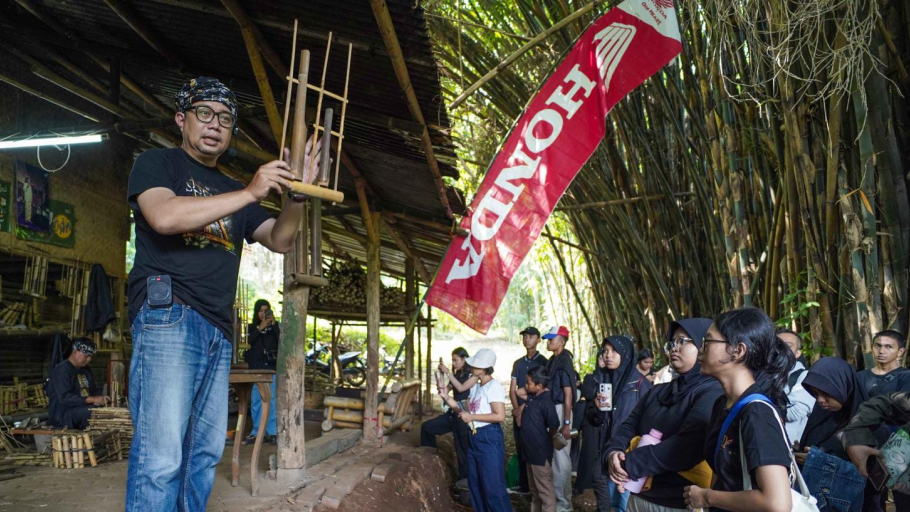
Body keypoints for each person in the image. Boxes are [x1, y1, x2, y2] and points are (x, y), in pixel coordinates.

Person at [125, 76, 323, 511]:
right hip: (168, 317)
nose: (216, 124)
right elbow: (162, 216)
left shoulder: (234, 191)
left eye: (226, 119)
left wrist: (297, 196)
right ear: (182, 119)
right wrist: (251, 190)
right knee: (160, 458)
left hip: (217, 329)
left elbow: (281, 238)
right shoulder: (157, 163)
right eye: (205, 113)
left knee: (202, 455)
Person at [683, 307, 795, 512]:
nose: (701, 349)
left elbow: (777, 503)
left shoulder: (757, 414)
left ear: (738, 350)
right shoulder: (722, 404)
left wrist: (707, 497)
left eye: (707, 341)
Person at [606, 318, 722, 512]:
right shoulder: (658, 391)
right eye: (672, 343)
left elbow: (688, 444)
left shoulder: (713, 391)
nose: (674, 348)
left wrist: (630, 463)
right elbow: (629, 426)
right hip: (639, 495)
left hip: (680, 502)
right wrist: (613, 452)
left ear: (704, 346)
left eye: (682, 341)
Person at [796, 357, 887, 512]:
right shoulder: (820, 417)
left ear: (846, 387)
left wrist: (820, 461)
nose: (820, 400)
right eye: (815, 393)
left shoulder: (872, 427)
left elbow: (877, 478)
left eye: (826, 393)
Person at [578, 335, 652, 512]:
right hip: (605, 450)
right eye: (605, 351)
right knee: (603, 490)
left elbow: (649, 424)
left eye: (614, 351)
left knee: (624, 503)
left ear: (625, 354)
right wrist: (596, 408)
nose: (608, 355)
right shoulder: (605, 381)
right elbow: (595, 421)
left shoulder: (641, 385)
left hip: (628, 456)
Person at [439, 348, 512, 512]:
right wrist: (446, 397)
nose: (471, 367)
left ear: (485, 368)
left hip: (489, 438)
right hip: (475, 437)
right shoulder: (477, 388)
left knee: (494, 489)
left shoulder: (493, 386)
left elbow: (499, 416)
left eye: (476, 365)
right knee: (476, 486)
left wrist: (472, 418)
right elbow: (463, 410)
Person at [421, 347, 478, 481]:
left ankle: (465, 484)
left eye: (455, 360)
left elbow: (461, 388)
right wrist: (441, 386)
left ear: (464, 359)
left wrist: (448, 373)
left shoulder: (473, 376)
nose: (453, 363)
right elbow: (445, 394)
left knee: (463, 453)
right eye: (452, 361)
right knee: (427, 427)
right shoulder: (457, 375)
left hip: (464, 417)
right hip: (452, 414)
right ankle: (429, 461)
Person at [541, 325, 576, 512]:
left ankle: (564, 504)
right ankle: (556, 499)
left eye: (551, 339)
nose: (548, 342)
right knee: (554, 456)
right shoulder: (552, 361)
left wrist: (567, 422)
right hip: (554, 409)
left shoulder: (564, 362)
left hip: (562, 410)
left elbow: (568, 393)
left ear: (561, 342)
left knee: (561, 456)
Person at [510, 326, 548, 495]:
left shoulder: (544, 362)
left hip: (535, 413)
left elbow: (542, 392)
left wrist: (523, 409)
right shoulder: (518, 363)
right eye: (525, 336)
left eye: (531, 336)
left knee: (534, 447)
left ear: (538, 340)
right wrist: (517, 410)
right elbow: (513, 389)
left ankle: (538, 488)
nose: (527, 339)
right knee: (520, 447)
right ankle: (524, 486)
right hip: (519, 410)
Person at [521, 366, 561, 512]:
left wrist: (550, 435)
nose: (525, 385)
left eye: (528, 383)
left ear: (539, 386)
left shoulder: (546, 401)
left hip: (540, 453)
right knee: (535, 492)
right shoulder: (533, 397)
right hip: (530, 453)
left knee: (545, 492)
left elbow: (554, 424)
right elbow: (518, 391)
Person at [47, 338, 107, 429]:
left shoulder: (86, 369)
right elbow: (65, 398)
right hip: (63, 415)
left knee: (103, 410)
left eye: (91, 356)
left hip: (80, 410)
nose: (89, 359)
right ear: (75, 352)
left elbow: (93, 390)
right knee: (92, 412)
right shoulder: (62, 370)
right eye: (86, 356)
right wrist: (92, 399)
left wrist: (103, 399)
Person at [243, 299, 279, 444]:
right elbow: (247, 343)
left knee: (272, 399)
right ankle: (257, 431)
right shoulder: (251, 328)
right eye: (261, 311)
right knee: (257, 400)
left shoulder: (275, 327)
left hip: (270, 367)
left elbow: (282, 340)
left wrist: (274, 324)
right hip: (256, 367)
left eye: (267, 310)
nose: (264, 313)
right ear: (256, 313)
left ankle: (272, 432)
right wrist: (260, 328)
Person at [776, 328, 814, 444]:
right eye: (777, 344)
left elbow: (797, 412)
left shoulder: (804, 376)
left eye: (788, 345)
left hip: (788, 446)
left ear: (798, 353)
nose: (782, 348)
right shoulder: (757, 374)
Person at [857, 330, 909, 399]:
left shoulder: (906, 376)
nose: (881, 351)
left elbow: (903, 405)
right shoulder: (860, 376)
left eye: (888, 347)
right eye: (877, 346)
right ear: (872, 348)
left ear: (900, 351)